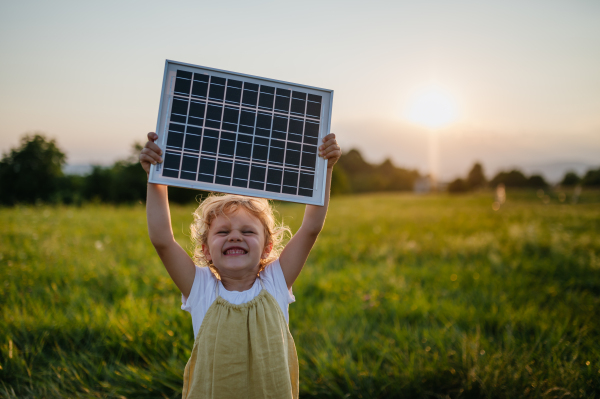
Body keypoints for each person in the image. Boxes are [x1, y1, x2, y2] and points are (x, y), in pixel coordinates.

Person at [139, 131, 341, 399]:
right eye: (223, 232)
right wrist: (157, 177)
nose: (235, 236)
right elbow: (163, 240)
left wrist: (323, 169)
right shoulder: (201, 289)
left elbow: (311, 227)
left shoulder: (276, 282)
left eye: (248, 232)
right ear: (205, 250)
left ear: (267, 248)